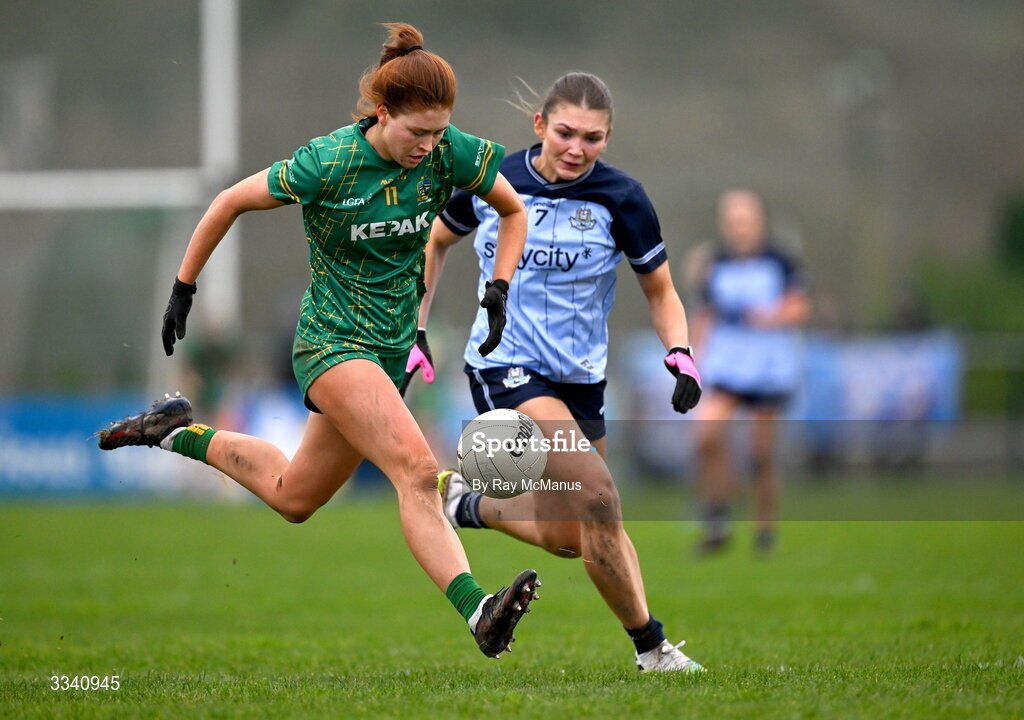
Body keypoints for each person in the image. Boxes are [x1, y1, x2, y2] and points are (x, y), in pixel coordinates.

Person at [97, 23, 538, 660]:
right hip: (331, 345)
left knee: (294, 497)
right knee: (417, 473)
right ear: (382, 114)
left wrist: (496, 287)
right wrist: (183, 286)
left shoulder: (449, 152)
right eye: (417, 133)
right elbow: (228, 201)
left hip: (387, 354)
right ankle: (479, 613)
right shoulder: (326, 162)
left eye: (440, 132)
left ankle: (170, 431)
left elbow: (513, 208)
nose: (430, 146)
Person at [406, 72, 705, 672]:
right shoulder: (493, 180)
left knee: (578, 531)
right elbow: (434, 243)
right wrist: (416, 327)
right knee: (600, 494)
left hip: (581, 379)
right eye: (565, 132)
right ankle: (653, 650)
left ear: (608, 138)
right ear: (539, 125)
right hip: (505, 362)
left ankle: (468, 506)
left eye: (592, 138)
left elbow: (662, 289)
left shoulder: (623, 199)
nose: (576, 148)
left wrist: (680, 352)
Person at [690, 189, 810, 554]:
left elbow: (799, 307)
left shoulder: (780, 260)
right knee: (706, 435)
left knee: (762, 454)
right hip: (728, 364)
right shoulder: (715, 264)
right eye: (733, 220)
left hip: (769, 367)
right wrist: (691, 363)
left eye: (747, 219)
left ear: (760, 222)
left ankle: (764, 530)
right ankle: (717, 516)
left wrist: (773, 316)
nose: (740, 227)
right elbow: (704, 315)